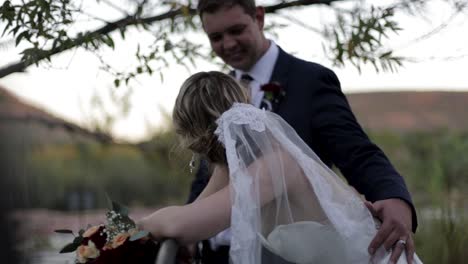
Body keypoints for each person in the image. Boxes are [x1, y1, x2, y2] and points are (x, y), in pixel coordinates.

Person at [181, 0, 418, 264]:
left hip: (290, 254)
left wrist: (395, 197)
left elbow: (358, 153)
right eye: (216, 37)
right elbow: (210, 171)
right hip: (219, 255)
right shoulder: (213, 91)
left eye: (236, 30)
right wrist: (187, 235)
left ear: (259, 18)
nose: (228, 44)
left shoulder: (310, 81)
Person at [138, 71, 422, 264]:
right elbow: (194, 216)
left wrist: (125, 233)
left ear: (190, 133)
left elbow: (179, 224)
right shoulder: (237, 165)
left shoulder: (276, 165)